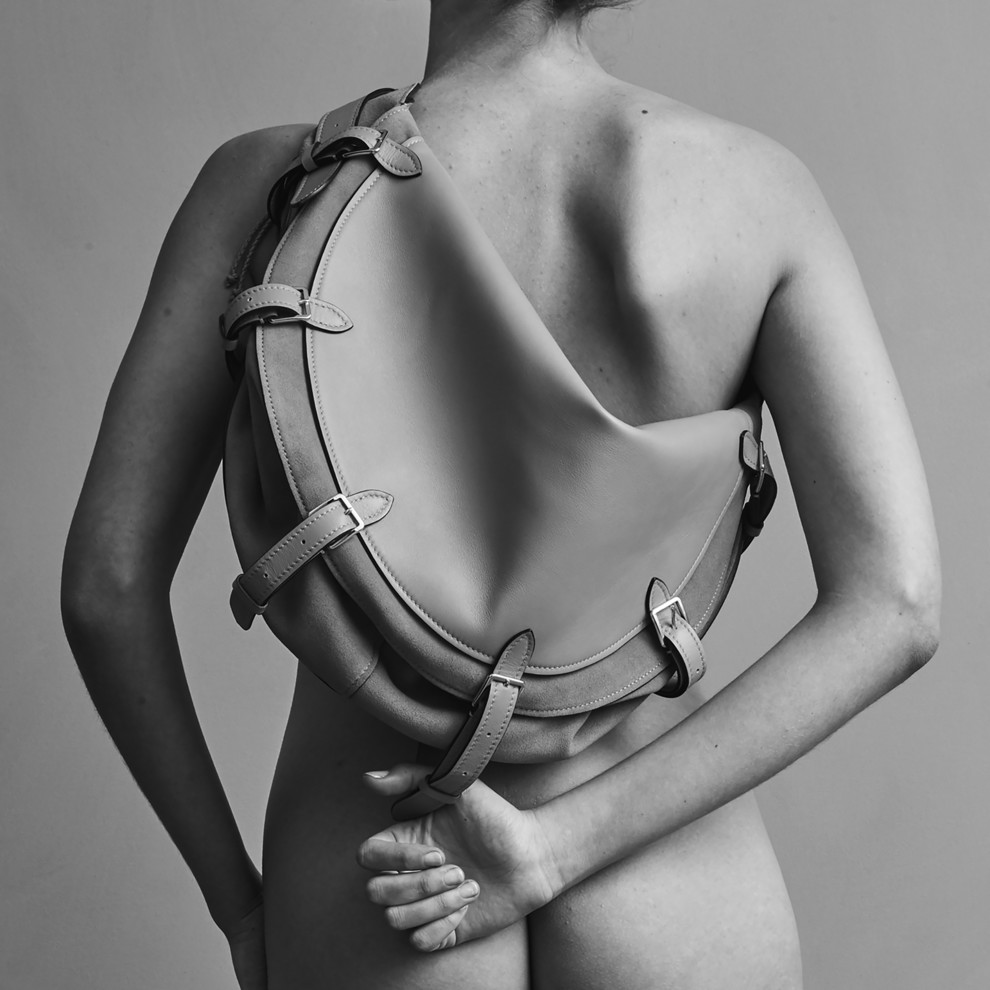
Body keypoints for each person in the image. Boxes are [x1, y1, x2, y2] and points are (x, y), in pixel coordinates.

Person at [60, 1, 941, 987]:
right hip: (672, 874)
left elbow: (107, 589)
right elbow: (896, 603)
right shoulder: (755, 191)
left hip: (382, 865)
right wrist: (554, 849)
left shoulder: (266, 190)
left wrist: (239, 905)